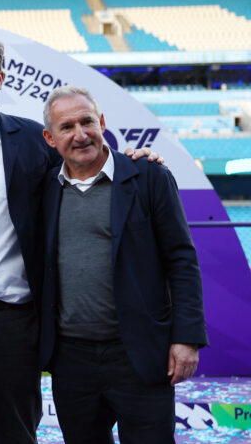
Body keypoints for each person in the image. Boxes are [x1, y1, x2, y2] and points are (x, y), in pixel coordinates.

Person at [0, 33, 161, 444]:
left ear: (0, 78)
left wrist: (134, 162)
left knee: (17, 435)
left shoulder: (36, 141)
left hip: (14, 321)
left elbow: (87, 165)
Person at [39, 85, 207, 443]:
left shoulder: (149, 177)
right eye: (66, 127)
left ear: (102, 122)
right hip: (72, 361)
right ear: (50, 139)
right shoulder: (44, 189)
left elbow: (181, 259)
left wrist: (187, 338)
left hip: (139, 355)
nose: (80, 135)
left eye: (87, 122)